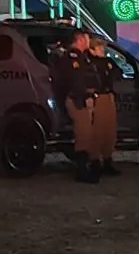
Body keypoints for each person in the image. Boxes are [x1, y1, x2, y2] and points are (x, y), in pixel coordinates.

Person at [54, 29, 99, 183]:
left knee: (87, 133)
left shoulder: (83, 57)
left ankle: (88, 166)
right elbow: (73, 81)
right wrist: (82, 95)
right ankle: (82, 170)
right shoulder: (71, 57)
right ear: (80, 39)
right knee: (83, 134)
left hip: (84, 98)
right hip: (77, 99)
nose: (88, 41)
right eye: (86, 38)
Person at [88, 36, 121, 176]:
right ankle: (95, 160)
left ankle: (107, 159)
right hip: (98, 97)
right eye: (99, 47)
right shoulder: (89, 63)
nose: (102, 50)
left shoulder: (108, 61)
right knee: (98, 130)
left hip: (109, 96)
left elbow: (118, 73)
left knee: (110, 130)